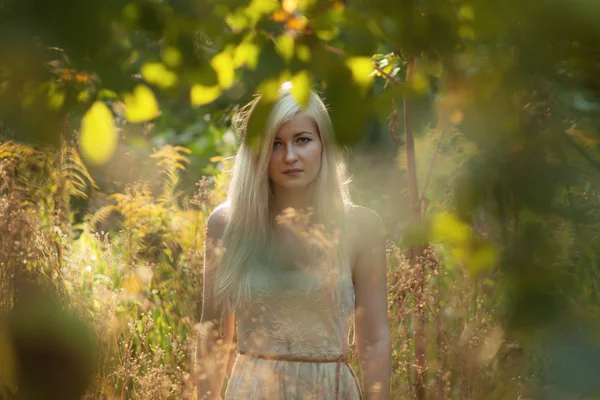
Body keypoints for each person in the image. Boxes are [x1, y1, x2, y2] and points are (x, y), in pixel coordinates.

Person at [196, 85, 391, 400]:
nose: (289, 156)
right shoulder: (227, 225)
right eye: (275, 143)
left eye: (302, 140)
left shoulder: (361, 227)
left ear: (323, 144)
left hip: (331, 391)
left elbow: (374, 339)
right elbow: (214, 334)